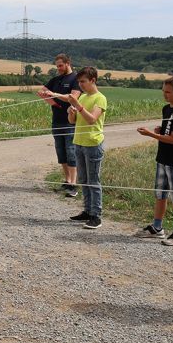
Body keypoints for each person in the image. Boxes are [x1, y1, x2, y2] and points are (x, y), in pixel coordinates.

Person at [135, 75, 173, 245]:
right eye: (163, 91)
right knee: (160, 194)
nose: (164, 95)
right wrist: (161, 129)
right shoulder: (167, 109)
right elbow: (168, 131)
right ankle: (157, 227)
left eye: (168, 92)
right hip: (163, 158)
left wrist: (151, 134)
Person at [60, 66, 107, 229]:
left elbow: (92, 119)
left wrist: (78, 106)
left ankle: (96, 215)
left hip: (93, 144)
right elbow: (74, 122)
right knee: (83, 180)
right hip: (79, 142)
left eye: (83, 81)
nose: (80, 85)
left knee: (93, 181)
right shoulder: (84, 97)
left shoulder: (100, 98)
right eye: (79, 82)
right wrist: (71, 112)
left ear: (93, 80)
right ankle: (87, 211)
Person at [37, 54, 81, 198]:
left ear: (68, 63)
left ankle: (74, 184)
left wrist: (53, 94)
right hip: (57, 120)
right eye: (57, 66)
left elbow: (73, 97)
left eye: (61, 65)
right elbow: (42, 91)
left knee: (71, 151)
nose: (58, 68)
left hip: (70, 121)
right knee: (60, 151)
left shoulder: (76, 79)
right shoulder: (55, 79)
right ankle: (67, 181)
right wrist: (51, 100)